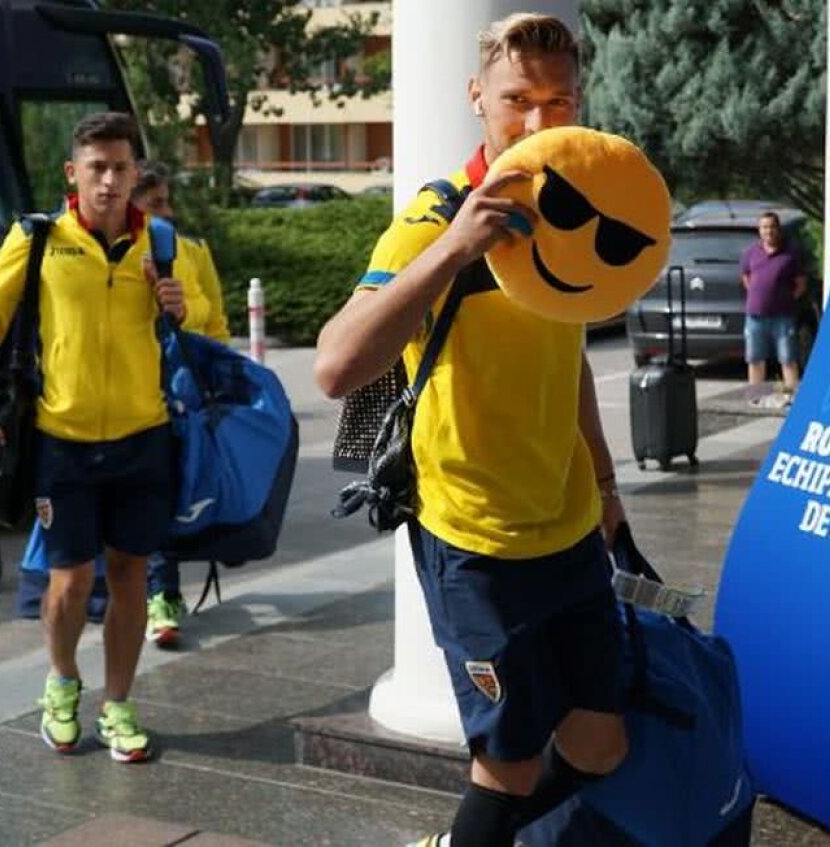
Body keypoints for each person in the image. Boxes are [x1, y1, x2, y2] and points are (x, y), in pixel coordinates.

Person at [314, 14, 628, 847]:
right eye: (517, 99)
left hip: (566, 527)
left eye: (558, 101)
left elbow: (573, 367)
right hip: (475, 543)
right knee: (512, 760)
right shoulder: (433, 217)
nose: (537, 123)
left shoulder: (575, 214)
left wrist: (604, 484)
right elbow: (336, 366)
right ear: (477, 97)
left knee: (602, 742)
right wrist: (455, 248)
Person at [0, 112, 206, 763]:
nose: (109, 179)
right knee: (68, 581)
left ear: (133, 172)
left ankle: (120, 703)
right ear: (74, 173)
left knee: (130, 575)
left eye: (120, 167)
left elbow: (202, 324)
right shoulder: (38, 239)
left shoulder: (158, 240)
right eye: (96, 167)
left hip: (143, 438)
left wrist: (180, 306)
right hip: (61, 441)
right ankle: (63, 680)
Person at [131, 161, 231, 648]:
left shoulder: (193, 251)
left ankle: (153, 590)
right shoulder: (122, 258)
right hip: (141, 393)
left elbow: (216, 324)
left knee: (180, 488)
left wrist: (221, 382)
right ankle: (159, 595)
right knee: (156, 490)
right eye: (155, 204)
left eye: (167, 201)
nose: (166, 212)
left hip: (190, 391)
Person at [740, 211, 808, 408]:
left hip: (783, 316)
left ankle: (791, 396)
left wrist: (784, 299)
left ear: (778, 229)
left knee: (787, 358)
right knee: (755, 358)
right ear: (759, 231)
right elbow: (746, 278)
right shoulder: (751, 253)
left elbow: (801, 284)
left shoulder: (790, 254)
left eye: (772, 227)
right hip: (755, 316)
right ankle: (755, 396)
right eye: (764, 227)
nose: (768, 231)